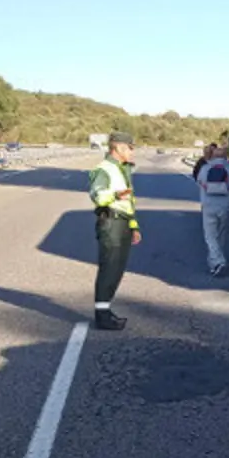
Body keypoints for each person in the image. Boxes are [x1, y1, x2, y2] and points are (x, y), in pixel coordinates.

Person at [87, 132, 142, 331]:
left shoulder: (122, 169)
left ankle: (106, 309)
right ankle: (102, 316)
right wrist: (116, 194)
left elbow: (129, 203)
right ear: (118, 147)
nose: (132, 151)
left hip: (123, 223)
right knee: (109, 268)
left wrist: (133, 226)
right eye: (130, 148)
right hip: (111, 223)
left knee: (117, 270)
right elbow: (98, 195)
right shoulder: (104, 169)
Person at [196, 146, 229, 276]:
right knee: (221, 235)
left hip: (208, 207)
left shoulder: (205, 169)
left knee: (210, 236)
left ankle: (217, 261)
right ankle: (214, 263)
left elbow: (199, 183)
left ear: (213, 157)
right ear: (226, 157)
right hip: (225, 207)